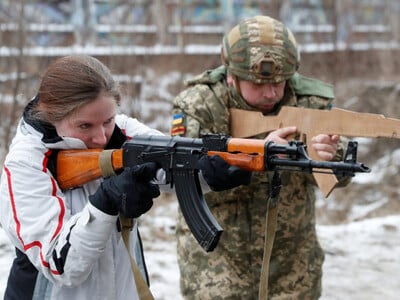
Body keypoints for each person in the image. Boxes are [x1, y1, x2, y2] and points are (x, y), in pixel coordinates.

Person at [0, 55, 249, 300]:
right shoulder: (26, 163)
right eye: (85, 126)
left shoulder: (121, 131)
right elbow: (61, 265)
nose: (101, 137)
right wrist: (106, 203)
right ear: (53, 116)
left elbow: (171, 162)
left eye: (107, 120)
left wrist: (209, 172)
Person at [171, 15, 351, 299]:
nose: (271, 93)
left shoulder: (310, 101)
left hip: (292, 265)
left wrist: (331, 155)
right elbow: (183, 173)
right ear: (231, 75)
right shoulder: (200, 104)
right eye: (258, 84)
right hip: (217, 264)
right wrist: (255, 153)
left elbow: (341, 171)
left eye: (279, 83)